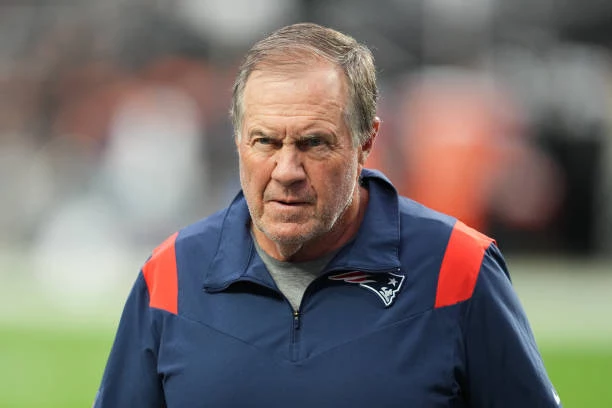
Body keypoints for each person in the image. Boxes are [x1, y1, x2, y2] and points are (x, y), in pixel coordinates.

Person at [94, 23, 561, 407]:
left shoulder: (458, 268)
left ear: (366, 142)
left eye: (314, 143)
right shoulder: (171, 274)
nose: (287, 170)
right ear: (238, 139)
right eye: (266, 142)